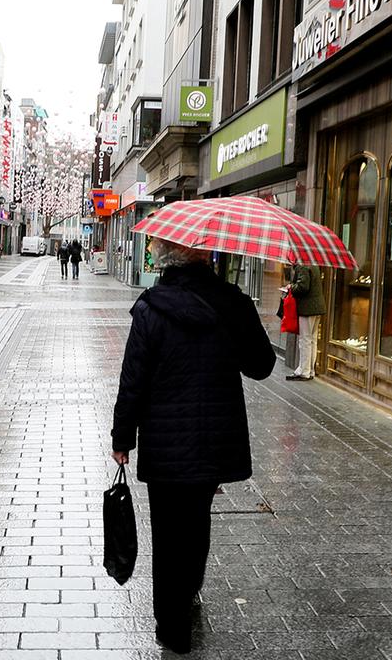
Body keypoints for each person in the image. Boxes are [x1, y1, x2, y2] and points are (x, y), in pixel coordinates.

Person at [111, 238, 275, 654]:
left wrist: (121, 437)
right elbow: (262, 365)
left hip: (165, 442)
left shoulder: (151, 307)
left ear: (166, 260)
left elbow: (133, 378)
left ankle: (172, 626)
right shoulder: (233, 302)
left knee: (167, 533)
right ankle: (189, 591)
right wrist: (239, 323)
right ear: (206, 257)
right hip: (214, 440)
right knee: (197, 520)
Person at [286, 263, 324, 380]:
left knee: (305, 340)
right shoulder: (314, 264)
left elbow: (303, 287)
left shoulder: (303, 265)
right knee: (312, 340)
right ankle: (310, 370)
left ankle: (304, 371)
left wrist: (290, 287)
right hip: (317, 307)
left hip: (308, 308)